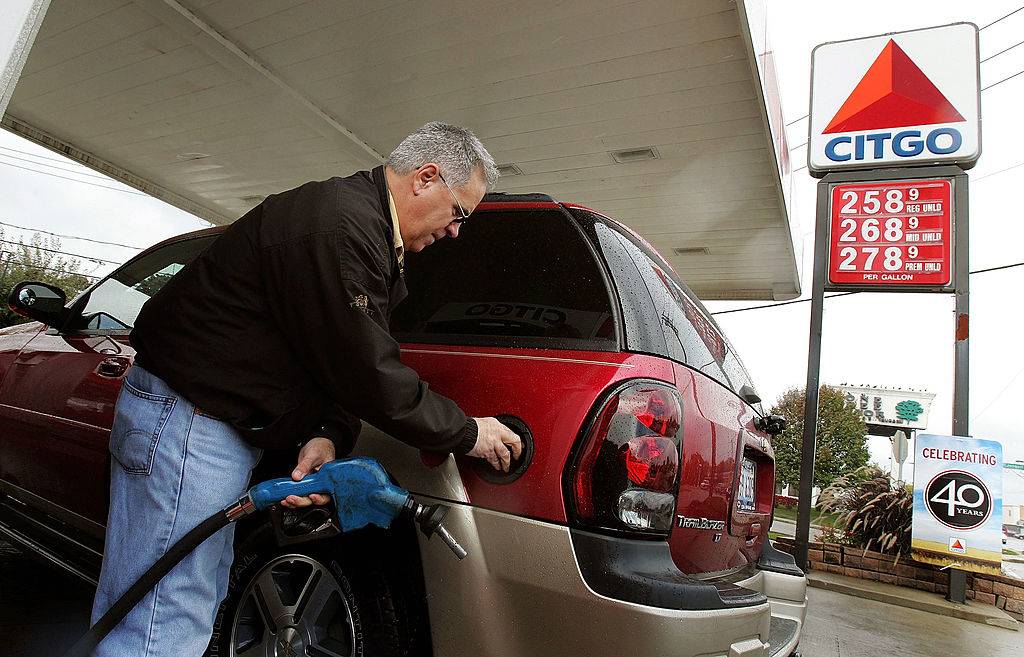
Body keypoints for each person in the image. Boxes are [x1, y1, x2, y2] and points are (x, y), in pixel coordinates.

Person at [90, 122, 523, 656]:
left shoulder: (362, 229)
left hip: (203, 424)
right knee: (165, 617)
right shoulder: (343, 227)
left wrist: (327, 431)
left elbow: (330, 353)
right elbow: (369, 370)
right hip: (189, 420)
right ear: (426, 178)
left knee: (181, 598)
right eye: (460, 213)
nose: (458, 231)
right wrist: (465, 432)